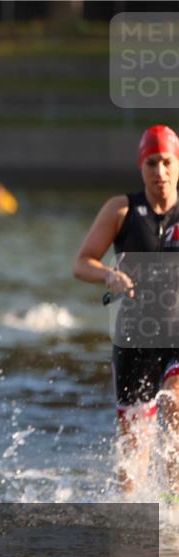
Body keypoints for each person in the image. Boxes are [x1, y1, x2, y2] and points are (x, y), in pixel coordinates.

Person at [73, 124, 179, 494]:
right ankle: (131, 520)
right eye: (152, 163)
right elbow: (82, 262)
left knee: (176, 404)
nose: (160, 173)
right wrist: (109, 276)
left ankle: (174, 504)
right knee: (136, 448)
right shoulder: (121, 210)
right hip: (135, 338)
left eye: (167, 162)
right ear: (141, 166)